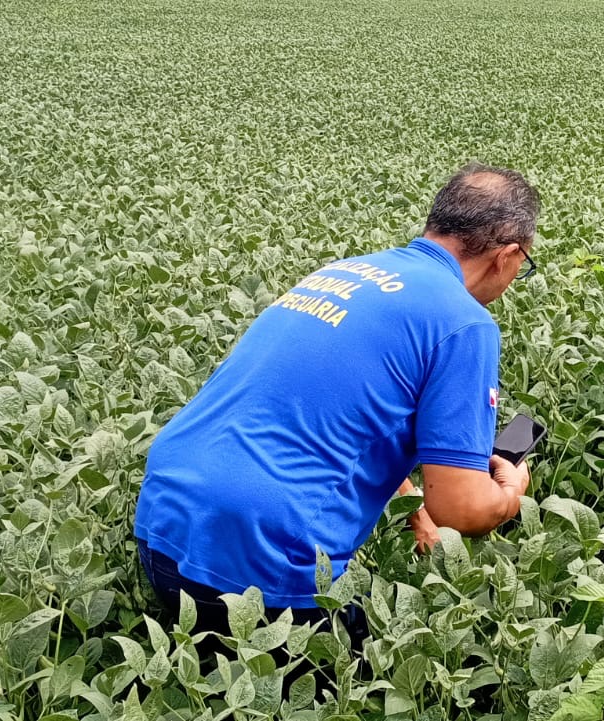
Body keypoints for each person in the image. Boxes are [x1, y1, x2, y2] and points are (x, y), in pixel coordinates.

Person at [133, 163, 539, 644]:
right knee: (391, 664)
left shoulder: (344, 272)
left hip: (161, 528)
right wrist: (511, 493)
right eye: (524, 266)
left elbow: (338, 419)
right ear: (508, 256)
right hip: (260, 568)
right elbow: (464, 509)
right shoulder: (464, 323)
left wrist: (415, 510)